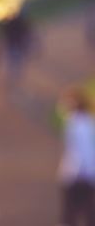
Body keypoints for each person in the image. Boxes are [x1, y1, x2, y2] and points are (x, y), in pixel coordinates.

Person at [59, 93, 95, 226]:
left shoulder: (75, 123)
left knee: (72, 212)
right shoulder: (89, 122)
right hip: (86, 172)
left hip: (76, 174)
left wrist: (79, 170)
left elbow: (82, 150)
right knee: (88, 210)